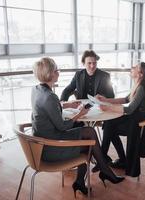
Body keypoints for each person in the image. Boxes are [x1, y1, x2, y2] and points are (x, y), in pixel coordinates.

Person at [31, 57, 124, 197]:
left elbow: (48, 108)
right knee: (89, 138)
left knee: (88, 134)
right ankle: (101, 172)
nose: (59, 72)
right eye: (57, 70)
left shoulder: (37, 90)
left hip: (41, 143)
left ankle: (89, 177)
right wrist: (80, 113)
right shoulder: (50, 97)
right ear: (50, 74)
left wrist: (67, 105)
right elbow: (62, 126)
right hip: (52, 147)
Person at [96, 62, 145, 177]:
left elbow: (129, 109)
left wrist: (108, 107)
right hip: (134, 120)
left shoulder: (142, 88)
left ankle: (104, 158)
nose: (132, 68)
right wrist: (106, 100)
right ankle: (107, 158)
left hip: (139, 125)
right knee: (109, 124)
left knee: (109, 126)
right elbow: (125, 99)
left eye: (135, 67)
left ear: (140, 74)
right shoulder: (140, 85)